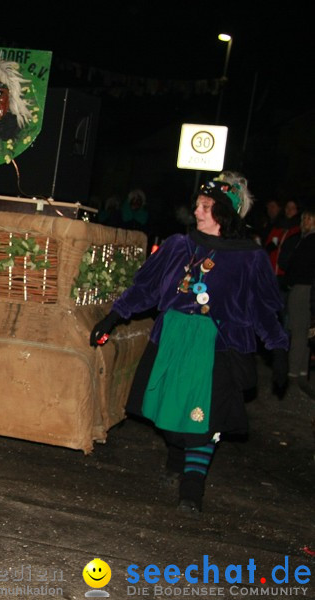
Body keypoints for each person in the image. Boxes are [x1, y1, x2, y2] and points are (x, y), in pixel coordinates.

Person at [90, 172, 289, 514]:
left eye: (206, 206)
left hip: (217, 347)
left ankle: (192, 489)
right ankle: (175, 453)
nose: (196, 211)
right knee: (171, 416)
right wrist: (113, 316)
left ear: (224, 214)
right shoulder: (178, 246)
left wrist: (279, 347)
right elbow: (146, 289)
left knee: (204, 421)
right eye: (198, 204)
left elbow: (262, 308)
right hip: (173, 341)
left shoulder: (249, 258)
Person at [278, 203, 315, 398]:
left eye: (309, 219)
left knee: (300, 331)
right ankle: (300, 372)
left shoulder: (309, 241)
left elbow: (297, 266)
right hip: (301, 288)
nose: (305, 223)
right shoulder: (302, 239)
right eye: (304, 219)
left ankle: (294, 373)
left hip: (304, 289)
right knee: (304, 330)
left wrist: (289, 281)